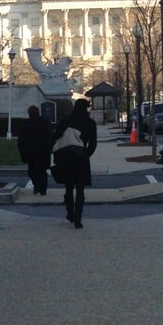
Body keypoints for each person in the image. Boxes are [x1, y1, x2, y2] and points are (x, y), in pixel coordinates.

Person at [53, 98, 97, 228]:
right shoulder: (90, 123)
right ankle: (78, 217)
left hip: (66, 158)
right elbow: (93, 144)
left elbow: (56, 136)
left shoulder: (66, 120)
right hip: (81, 158)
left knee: (68, 187)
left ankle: (70, 212)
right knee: (80, 189)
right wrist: (86, 154)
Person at [17, 105, 53, 195]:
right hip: (43, 151)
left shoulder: (26, 123)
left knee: (31, 170)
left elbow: (21, 139)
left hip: (30, 151)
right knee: (42, 171)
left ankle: (37, 185)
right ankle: (43, 189)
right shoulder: (45, 122)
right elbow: (50, 136)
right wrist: (50, 148)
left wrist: (22, 150)